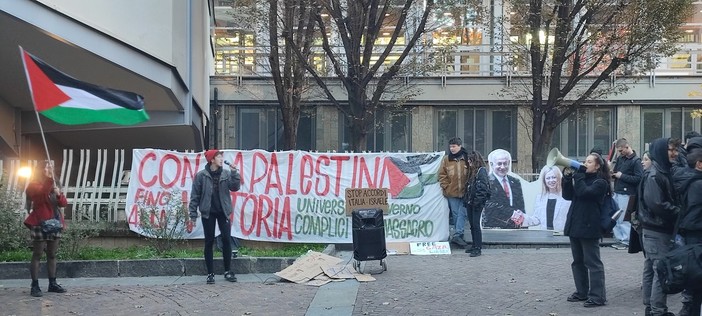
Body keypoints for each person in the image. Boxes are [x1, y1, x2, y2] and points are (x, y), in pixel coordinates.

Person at [639, 138, 682, 316]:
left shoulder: (662, 171)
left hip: (654, 229)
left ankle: (651, 307)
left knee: (652, 268)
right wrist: (680, 212)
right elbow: (657, 204)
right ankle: (657, 310)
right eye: (670, 150)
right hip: (657, 229)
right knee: (660, 270)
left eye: (675, 150)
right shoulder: (655, 174)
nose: (674, 153)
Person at [561, 152, 610, 308]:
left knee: (593, 262)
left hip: (589, 226)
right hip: (576, 225)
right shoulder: (582, 179)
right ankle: (581, 291)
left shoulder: (600, 182)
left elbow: (585, 193)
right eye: (585, 161)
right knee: (578, 262)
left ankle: (598, 296)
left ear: (597, 166)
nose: (585, 164)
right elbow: (568, 196)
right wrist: (567, 179)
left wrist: (578, 177)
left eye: (589, 162)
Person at [187, 149, 241, 284]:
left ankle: (228, 271)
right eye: (219, 157)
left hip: (223, 211)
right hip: (208, 213)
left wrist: (234, 173)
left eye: (221, 157)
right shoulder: (201, 176)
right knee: (209, 241)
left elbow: (235, 187)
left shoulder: (226, 173)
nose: (222, 159)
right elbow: (195, 197)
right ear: (212, 160)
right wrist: (192, 216)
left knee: (226, 239)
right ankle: (210, 273)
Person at [23, 162, 68, 297]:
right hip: (40, 222)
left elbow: (63, 203)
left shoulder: (54, 184)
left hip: (54, 222)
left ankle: (52, 283)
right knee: (38, 254)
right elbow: (41, 194)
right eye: (45, 167)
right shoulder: (34, 184)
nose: (47, 169)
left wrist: (58, 194)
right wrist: (49, 181)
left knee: (52, 254)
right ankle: (35, 285)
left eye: (50, 167)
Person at [673, 148, 702, 316]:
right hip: (697, 233)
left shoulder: (688, 180)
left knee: (695, 279)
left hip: (690, 233)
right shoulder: (698, 184)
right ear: (699, 164)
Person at [611, 138, 644, 249]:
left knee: (624, 218)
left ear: (627, 146)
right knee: (616, 216)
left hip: (627, 193)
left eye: (621, 150)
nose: (620, 153)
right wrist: (613, 174)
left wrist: (622, 176)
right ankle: (620, 238)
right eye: (619, 151)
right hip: (618, 191)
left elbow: (639, 178)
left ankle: (625, 240)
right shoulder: (621, 159)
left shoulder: (636, 161)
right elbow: (617, 172)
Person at [439, 137, 470, 248]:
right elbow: (442, 175)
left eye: (454, 146)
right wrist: (446, 187)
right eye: (450, 146)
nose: (452, 148)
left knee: (462, 213)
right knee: (456, 214)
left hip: (466, 192)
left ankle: (458, 234)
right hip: (452, 192)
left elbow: (471, 173)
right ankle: (459, 236)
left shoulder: (467, 158)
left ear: (459, 146)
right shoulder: (447, 160)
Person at [483, 149, 526, 229]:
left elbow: (520, 204)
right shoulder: (486, 182)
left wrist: (522, 219)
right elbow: (488, 204)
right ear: (492, 165)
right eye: (499, 164)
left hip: (515, 227)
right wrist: (511, 213)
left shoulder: (515, 182)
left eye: (505, 164)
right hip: (494, 227)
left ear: (509, 164)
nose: (502, 167)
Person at [462, 150, 490, 257]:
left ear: (475, 160)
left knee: (476, 225)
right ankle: (474, 245)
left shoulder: (481, 171)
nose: (468, 162)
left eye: (470, 160)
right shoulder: (473, 171)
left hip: (476, 203)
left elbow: (482, 189)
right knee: (472, 225)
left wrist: (477, 202)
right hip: (471, 201)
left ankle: (478, 248)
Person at [530, 165, 570, 232]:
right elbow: (536, 219)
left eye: (554, 177)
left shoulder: (567, 197)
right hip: (545, 236)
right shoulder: (540, 198)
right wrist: (523, 218)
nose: (551, 180)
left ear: (559, 178)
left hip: (562, 236)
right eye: (548, 178)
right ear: (544, 181)